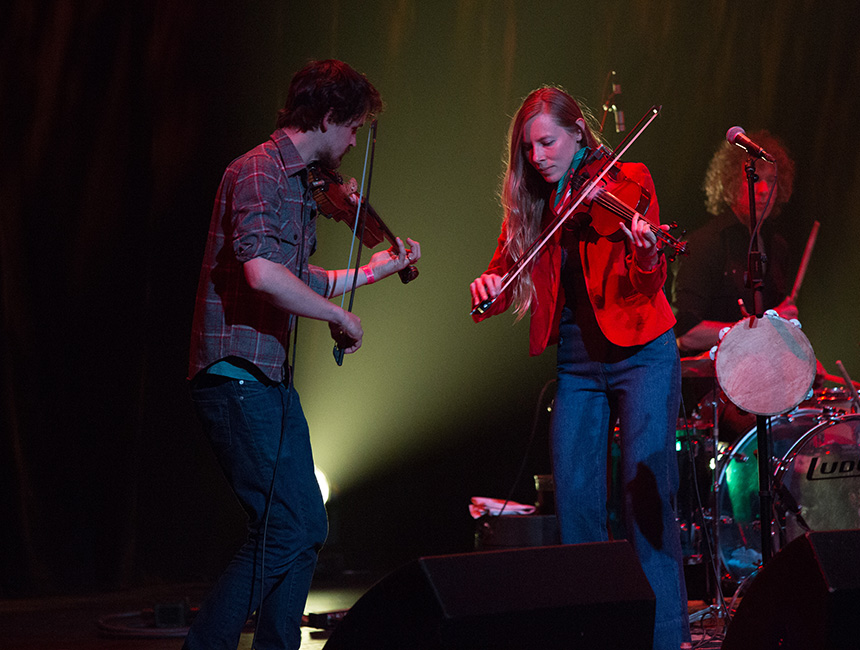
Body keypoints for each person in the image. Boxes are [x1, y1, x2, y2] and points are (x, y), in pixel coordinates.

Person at [186, 59, 419, 650]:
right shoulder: (261, 172)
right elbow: (264, 275)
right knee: (286, 525)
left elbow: (295, 278)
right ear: (329, 116)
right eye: (352, 129)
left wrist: (373, 270)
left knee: (305, 525)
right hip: (235, 375)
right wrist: (339, 317)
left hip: (265, 377)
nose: (351, 143)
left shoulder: (298, 182)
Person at [470, 87, 689, 649]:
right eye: (530, 148)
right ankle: (598, 635)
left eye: (548, 142)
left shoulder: (630, 177)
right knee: (576, 504)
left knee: (645, 498)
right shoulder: (532, 202)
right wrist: (490, 288)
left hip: (643, 350)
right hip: (577, 360)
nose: (538, 156)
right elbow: (504, 271)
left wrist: (644, 253)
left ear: (577, 135)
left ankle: (668, 638)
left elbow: (647, 282)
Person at [671, 129, 797, 354]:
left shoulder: (777, 246)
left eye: (772, 180)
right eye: (754, 178)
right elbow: (686, 333)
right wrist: (756, 329)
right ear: (730, 183)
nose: (764, 190)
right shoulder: (705, 244)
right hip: (712, 381)